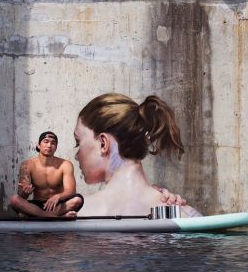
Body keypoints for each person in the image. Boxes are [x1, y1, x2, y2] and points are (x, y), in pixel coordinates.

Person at [72, 93, 201, 217]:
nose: (76, 156)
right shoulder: (185, 215)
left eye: (78, 142)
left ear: (103, 143)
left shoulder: (74, 214)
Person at [9, 131, 83, 217]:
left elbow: (71, 191)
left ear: (56, 147)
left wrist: (57, 196)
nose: (49, 145)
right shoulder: (27, 165)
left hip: (57, 204)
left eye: (53, 143)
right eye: (46, 141)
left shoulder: (65, 165)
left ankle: (37, 216)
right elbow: (22, 196)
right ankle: (54, 216)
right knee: (14, 200)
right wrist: (25, 192)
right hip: (37, 206)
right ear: (38, 145)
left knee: (77, 200)